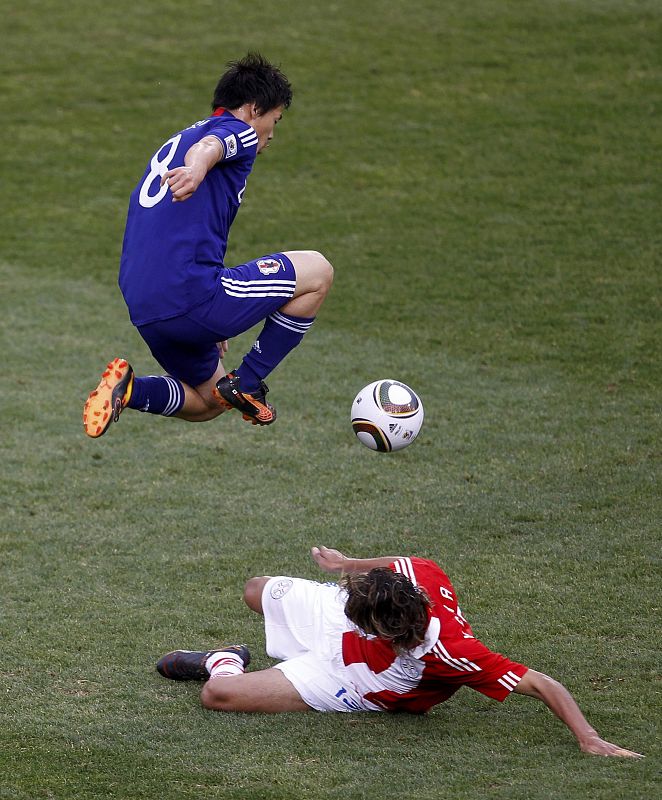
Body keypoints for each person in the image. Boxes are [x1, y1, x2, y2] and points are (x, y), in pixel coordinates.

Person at [156, 546, 642, 758]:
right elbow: (398, 562)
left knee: (217, 693)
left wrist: (588, 737)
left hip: (357, 679)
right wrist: (347, 565)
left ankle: (221, 657)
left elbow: (540, 683)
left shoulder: (454, 653)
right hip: (341, 618)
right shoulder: (420, 577)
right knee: (255, 589)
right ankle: (287, 636)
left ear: (382, 630)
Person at [83, 53, 333, 438]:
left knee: (209, 402)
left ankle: (128, 389)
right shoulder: (237, 131)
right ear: (254, 109)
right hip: (187, 294)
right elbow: (213, 147)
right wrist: (198, 168)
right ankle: (247, 382)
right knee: (318, 272)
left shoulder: (181, 135)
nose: (272, 133)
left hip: (145, 303)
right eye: (275, 120)